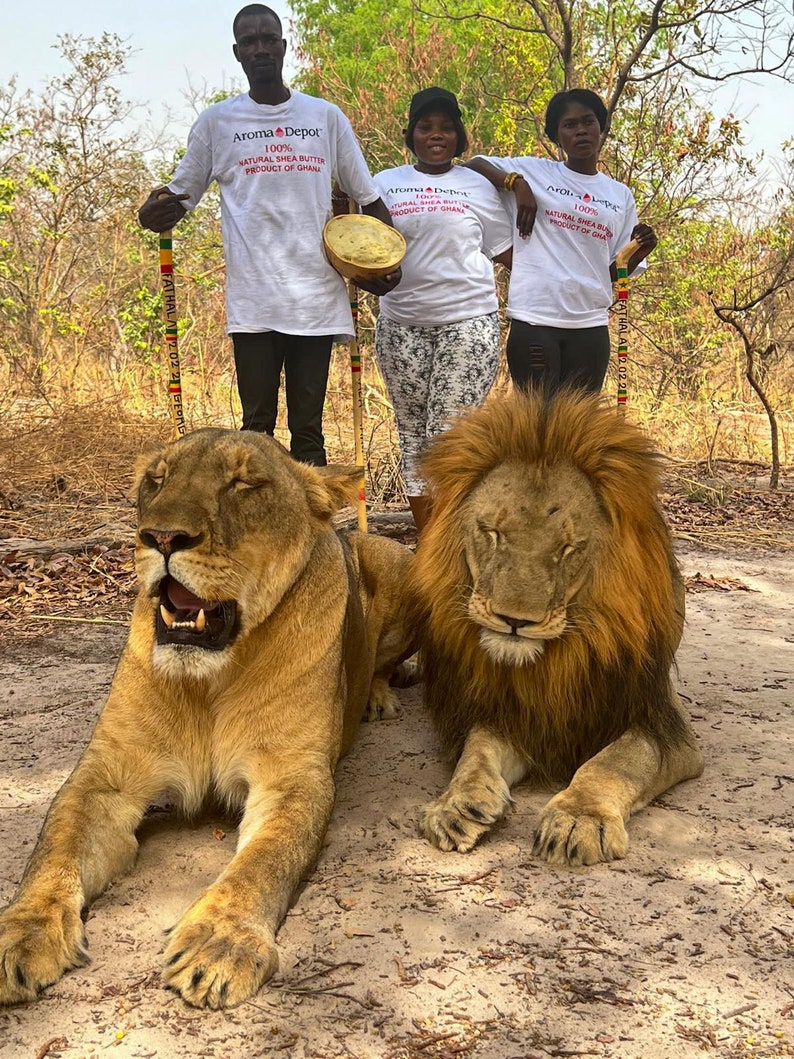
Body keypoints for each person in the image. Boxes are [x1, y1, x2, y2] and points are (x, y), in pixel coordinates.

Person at [138, 4, 399, 467]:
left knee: (309, 432)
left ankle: (313, 537)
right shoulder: (218, 123)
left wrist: (388, 263)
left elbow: (368, 196)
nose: (260, 48)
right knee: (255, 430)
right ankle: (252, 537)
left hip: (316, 299)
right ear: (238, 53)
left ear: (282, 47)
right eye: (249, 41)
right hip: (254, 302)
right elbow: (178, 196)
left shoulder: (325, 116)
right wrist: (154, 213)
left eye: (268, 38)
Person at [368, 87, 513, 533]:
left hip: (467, 322)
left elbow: (508, 253)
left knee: (447, 435)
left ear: (459, 135)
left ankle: (450, 544)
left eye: (446, 127)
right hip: (401, 325)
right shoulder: (383, 183)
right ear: (410, 133)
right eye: (426, 127)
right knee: (412, 435)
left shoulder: (477, 185)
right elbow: (363, 247)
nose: (436, 135)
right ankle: (430, 546)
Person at [466, 88, 657, 395]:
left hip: (590, 325)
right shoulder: (536, 170)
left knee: (579, 430)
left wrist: (639, 250)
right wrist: (516, 183)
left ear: (601, 127)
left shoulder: (619, 195)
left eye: (588, 121)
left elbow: (613, 271)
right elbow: (474, 164)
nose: (581, 130)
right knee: (536, 426)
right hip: (535, 319)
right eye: (569, 125)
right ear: (557, 136)